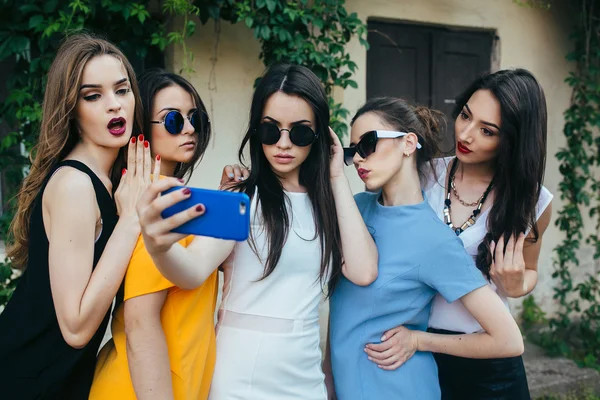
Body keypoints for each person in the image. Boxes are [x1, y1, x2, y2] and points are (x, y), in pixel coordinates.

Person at [135, 63, 378, 400]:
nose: (283, 143)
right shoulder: (240, 196)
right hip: (241, 374)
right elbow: (192, 270)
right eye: (270, 130)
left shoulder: (328, 204)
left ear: (319, 135)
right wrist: (159, 246)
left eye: (300, 132)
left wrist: (336, 178)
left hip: (305, 373)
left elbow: (364, 270)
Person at [366, 69, 552, 399]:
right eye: (465, 115)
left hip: (489, 364)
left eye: (487, 131)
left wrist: (516, 284)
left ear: (512, 139)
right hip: (414, 354)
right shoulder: (422, 175)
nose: (466, 134)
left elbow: (530, 271)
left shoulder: (531, 200)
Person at [327, 97, 524, 400]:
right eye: (352, 152)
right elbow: (342, 315)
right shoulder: (355, 209)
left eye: (368, 144)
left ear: (408, 143)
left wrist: (420, 340)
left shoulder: (434, 240)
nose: (358, 160)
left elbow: (509, 340)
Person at [0, 33, 153, 399]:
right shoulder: (75, 185)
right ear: (72, 108)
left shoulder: (112, 181)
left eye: (122, 90)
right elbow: (76, 328)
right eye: (93, 96)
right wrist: (131, 219)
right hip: (24, 378)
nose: (114, 106)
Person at [89, 69, 215, 400]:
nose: (189, 129)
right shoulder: (156, 204)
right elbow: (140, 323)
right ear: (143, 129)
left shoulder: (167, 199)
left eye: (195, 118)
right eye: (173, 120)